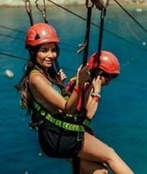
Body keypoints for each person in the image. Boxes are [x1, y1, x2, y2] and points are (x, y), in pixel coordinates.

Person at [18, 23, 133, 174]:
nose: (50, 55)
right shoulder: (36, 78)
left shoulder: (45, 75)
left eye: (53, 50)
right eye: (44, 50)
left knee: (100, 172)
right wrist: (81, 84)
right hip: (59, 135)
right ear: (33, 52)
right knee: (110, 155)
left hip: (54, 136)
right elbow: (68, 109)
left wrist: (59, 84)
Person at [65, 50, 121, 134]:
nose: (109, 81)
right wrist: (97, 93)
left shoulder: (76, 80)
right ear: (99, 74)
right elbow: (89, 115)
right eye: (108, 77)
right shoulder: (89, 87)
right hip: (73, 130)